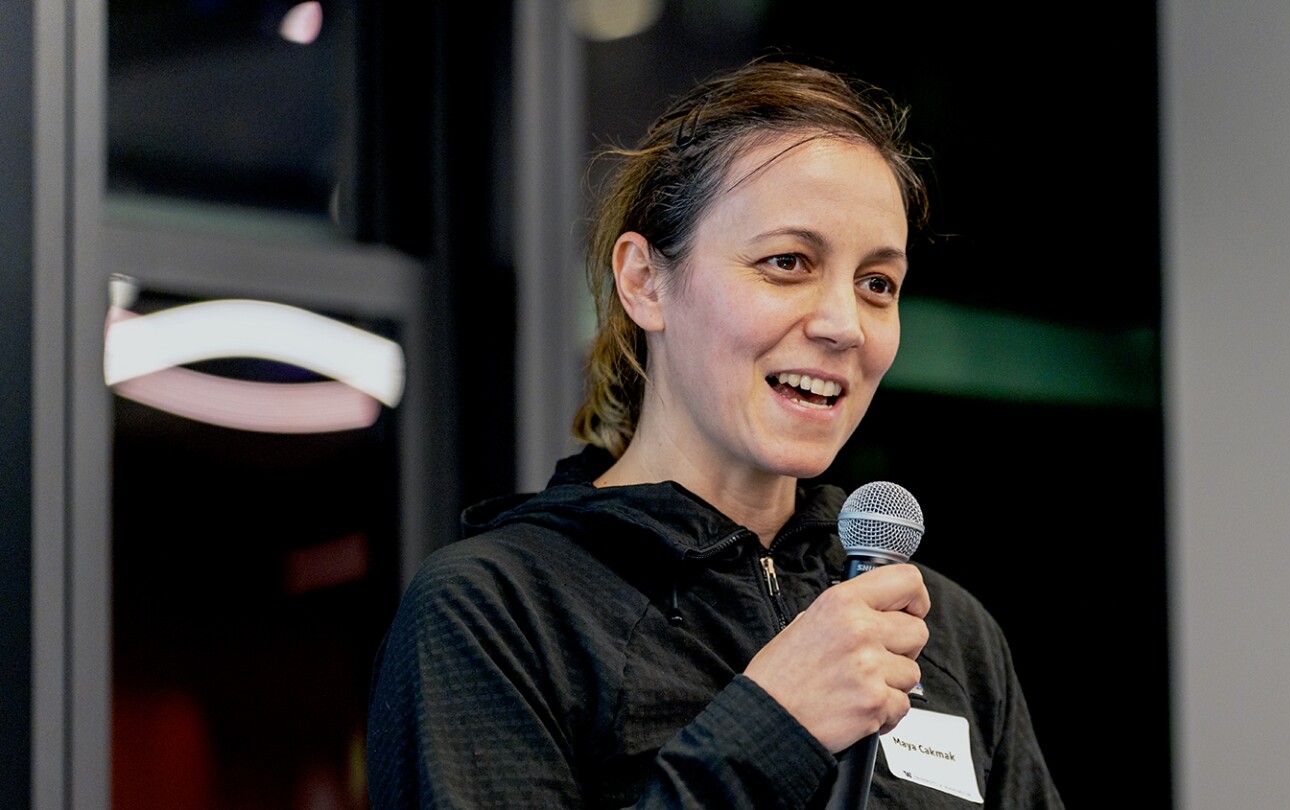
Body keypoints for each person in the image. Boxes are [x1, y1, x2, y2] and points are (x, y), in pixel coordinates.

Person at [366, 58, 1064, 809]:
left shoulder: (946, 633)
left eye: (876, 284)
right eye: (787, 263)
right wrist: (774, 725)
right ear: (644, 281)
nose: (843, 326)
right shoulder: (496, 611)